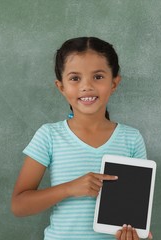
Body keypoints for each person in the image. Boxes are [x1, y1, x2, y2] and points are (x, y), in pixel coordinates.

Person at [11, 37, 153, 240]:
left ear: (114, 83)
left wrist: (139, 236)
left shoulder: (131, 139)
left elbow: (136, 214)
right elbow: (19, 205)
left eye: (98, 77)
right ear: (61, 87)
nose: (86, 86)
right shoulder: (49, 136)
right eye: (75, 78)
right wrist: (69, 188)